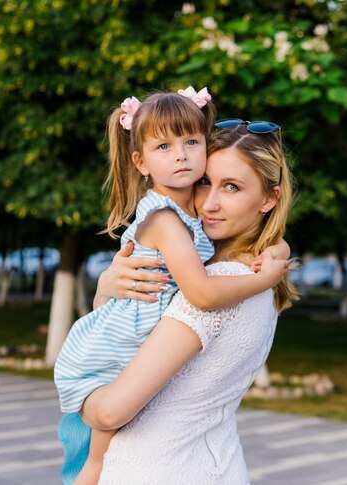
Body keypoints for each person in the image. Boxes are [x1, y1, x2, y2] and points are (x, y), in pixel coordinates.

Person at [53, 88, 288, 484]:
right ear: (142, 163)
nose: (210, 203)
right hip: (215, 464)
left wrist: (87, 408)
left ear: (269, 198)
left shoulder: (231, 278)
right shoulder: (225, 259)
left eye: (232, 187)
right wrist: (106, 290)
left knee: (88, 454)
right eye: (205, 183)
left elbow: (109, 411)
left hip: (159, 468)